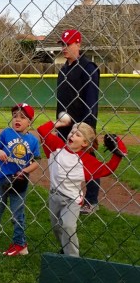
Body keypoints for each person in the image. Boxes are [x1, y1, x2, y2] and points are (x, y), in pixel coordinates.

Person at [37, 118, 126, 257]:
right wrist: (59, 123)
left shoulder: (86, 161)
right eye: (72, 132)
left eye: (78, 134)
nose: (72, 135)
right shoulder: (56, 147)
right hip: (54, 196)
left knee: (68, 226)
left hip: (72, 200)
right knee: (57, 228)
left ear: (85, 143)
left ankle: (73, 258)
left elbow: (108, 169)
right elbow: (42, 130)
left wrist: (118, 153)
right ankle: (65, 249)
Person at [0, 104, 41, 256]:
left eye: (22, 117)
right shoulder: (6, 133)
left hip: (19, 182)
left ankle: (20, 243)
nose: (17, 119)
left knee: (17, 214)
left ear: (30, 121)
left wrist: (25, 171)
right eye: (15, 116)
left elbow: (36, 162)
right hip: (2, 179)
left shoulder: (33, 141)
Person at [55, 29, 101, 214]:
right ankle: (67, 197)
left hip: (82, 125)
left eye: (68, 44)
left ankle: (91, 200)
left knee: (87, 161)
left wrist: (86, 126)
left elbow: (91, 100)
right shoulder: (63, 71)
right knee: (63, 161)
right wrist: (58, 123)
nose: (64, 48)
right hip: (64, 125)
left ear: (78, 44)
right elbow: (60, 101)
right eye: (63, 44)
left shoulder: (89, 68)